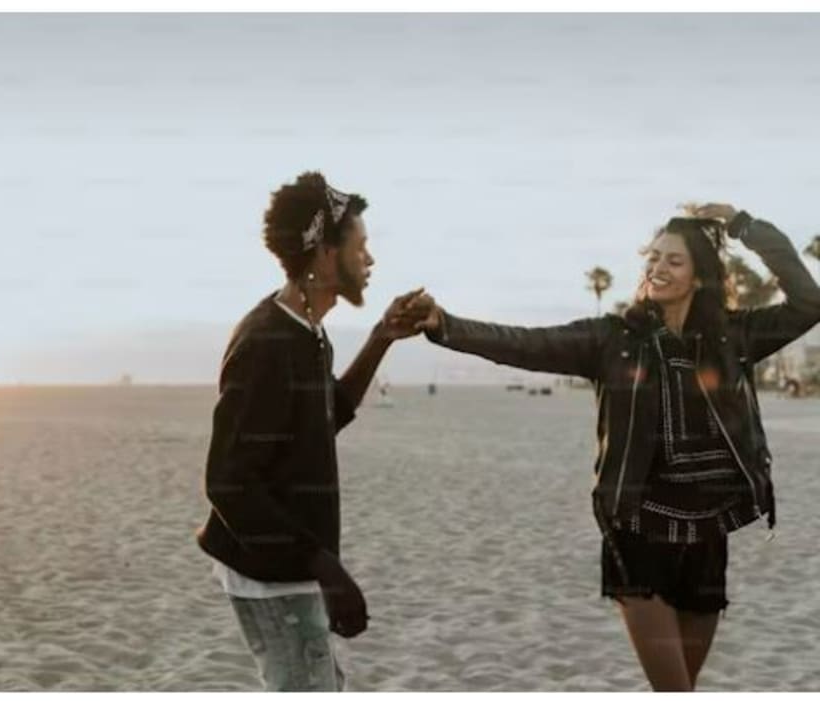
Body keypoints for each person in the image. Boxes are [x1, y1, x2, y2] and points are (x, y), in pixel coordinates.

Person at [410, 203, 820, 691]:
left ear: (699, 277)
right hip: (639, 533)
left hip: (709, 535)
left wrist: (744, 226)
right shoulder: (612, 339)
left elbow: (809, 302)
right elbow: (524, 343)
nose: (658, 267)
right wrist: (445, 325)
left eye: (674, 260)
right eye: (653, 257)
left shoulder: (734, 337)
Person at [196, 171, 429, 691]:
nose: (370, 260)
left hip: (289, 568)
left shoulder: (308, 332)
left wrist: (382, 337)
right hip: (269, 577)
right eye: (360, 247)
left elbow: (325, 418)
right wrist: (323, 565)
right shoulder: (266, 342)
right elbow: (228, 482)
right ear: (324, 254)